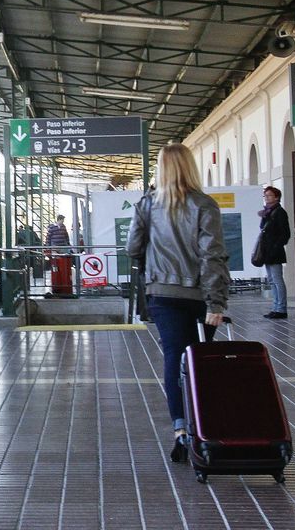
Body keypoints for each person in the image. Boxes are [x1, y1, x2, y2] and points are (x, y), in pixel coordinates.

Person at [126, 143, 229, 463]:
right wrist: (216, 303)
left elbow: (132, 247)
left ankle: (181, 432)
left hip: (162, 294)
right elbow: (213, 256)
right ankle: (204, 428)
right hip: (199, 297)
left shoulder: (146, 204)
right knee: (199, 360)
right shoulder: (205, 205)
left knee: (174, 359)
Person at [258, 186, 291, 319]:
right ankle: (275, 306)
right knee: (271, 280)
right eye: (265, 196)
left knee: (277, 279)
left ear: (276, 197)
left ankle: (281, 308)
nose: (266, 198)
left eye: (269, 195)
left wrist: (276, 246)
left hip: (275, 251)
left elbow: (285, 234)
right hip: (267, 251)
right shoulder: (268, 212)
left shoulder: (279, 212)